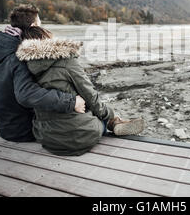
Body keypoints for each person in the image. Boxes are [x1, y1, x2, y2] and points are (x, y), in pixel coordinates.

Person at [15, 25, 145, 156]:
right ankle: (112, 122)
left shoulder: (25, 68)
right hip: (79, 135)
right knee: (96, 114)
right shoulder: (66, 61)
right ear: (49, 40)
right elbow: (91, 96)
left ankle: (112, 122)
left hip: (46, 137)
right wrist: (109, 114)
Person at [0, 4, 86, 142]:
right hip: (24, 130)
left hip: (6, 127)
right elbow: (26, 94)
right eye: (40, 23)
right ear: (34, 25)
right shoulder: (19, 54)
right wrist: (70, 101)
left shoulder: (1, 50)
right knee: (79, 116)